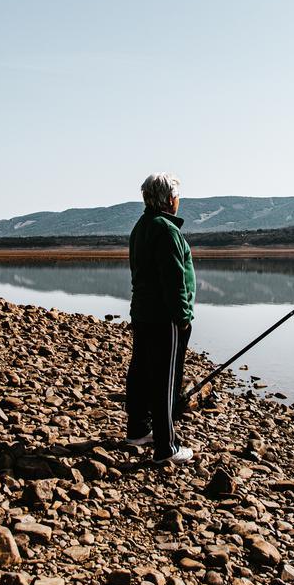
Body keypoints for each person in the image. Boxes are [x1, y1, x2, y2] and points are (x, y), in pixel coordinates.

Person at [125, 172, 196, 465]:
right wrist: (183, 317)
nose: (179, 201)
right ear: (170, 199)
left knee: (142, 371)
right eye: (177, 196)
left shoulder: (141, 227)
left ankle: (138, 429)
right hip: (165, 316)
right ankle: (166, 448)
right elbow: (174, 281)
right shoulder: (166, 231)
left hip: (142, 312)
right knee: (166, 380)